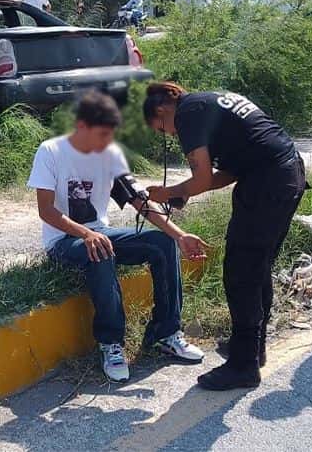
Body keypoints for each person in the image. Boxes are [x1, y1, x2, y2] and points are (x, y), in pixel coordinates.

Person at [29, 91, 208, 382]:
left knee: (161, 244)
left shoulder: (109, 153)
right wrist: (86, 234)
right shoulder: (50, 152)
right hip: (63, 240)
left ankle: (166, 334)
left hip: (102, 233)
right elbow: (46, 211)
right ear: (81, 127)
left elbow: (140, 202)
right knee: (100, 249)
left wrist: (179, 235)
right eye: (101, 134)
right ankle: (111, 343)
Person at [143, 83, 308, 391]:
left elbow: (202, 178)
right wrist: (181, 192)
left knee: (241, 274)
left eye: (163, 129)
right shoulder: (209, 103)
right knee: (256, 269)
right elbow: (227, 173)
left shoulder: (188, 114)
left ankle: (243, 366)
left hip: (267, 184)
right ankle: (251, 350)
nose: (171, 135)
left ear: (163, 110)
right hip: (285, 175)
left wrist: (167, 192)